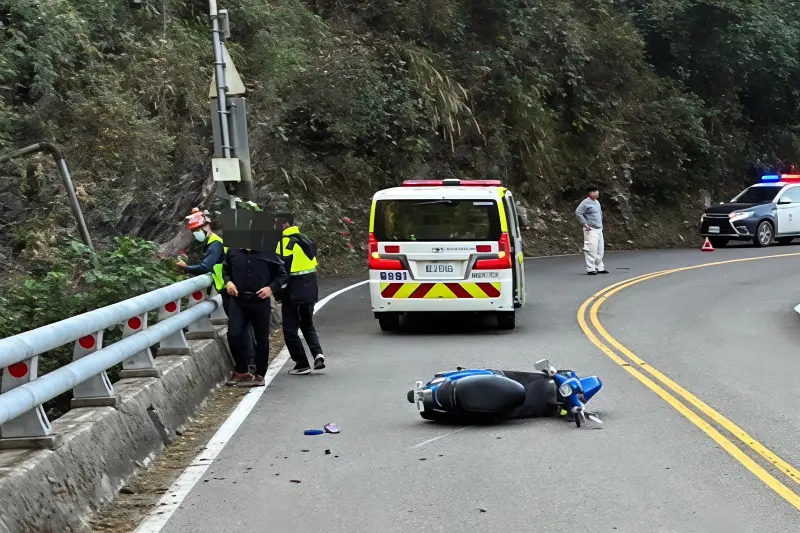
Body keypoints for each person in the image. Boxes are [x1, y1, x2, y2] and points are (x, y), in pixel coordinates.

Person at [223, 245, 288, 386]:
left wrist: (271, 288)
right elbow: (225, 269)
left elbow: (282, 274)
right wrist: (228, 281)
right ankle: (242, 372)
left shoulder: (268, 252)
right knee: (234, 334)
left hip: (260, 301)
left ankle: (260, 374)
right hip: (238, 301)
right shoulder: (233, 251)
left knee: (261, 339)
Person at [275, 211, 325, 376]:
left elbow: (282, 271)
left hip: (292, 292)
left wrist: (277, 294)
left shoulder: (283, 243)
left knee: (290, 330)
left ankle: (302, 363)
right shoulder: (306, 239)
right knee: (307, 324)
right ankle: (318, 353)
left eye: (278, 223)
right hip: (310, 289)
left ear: (285, 224)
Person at [177, 208, 228, 311]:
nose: (196, 233)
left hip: (229, 288)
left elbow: (205, 267)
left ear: (207, 225)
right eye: (194, 231)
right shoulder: (212, 242)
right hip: (228, 287)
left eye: (198, 230)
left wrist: (185, 268)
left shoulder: (215, 245)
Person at [575, 184, 608, 276]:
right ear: (589, 193)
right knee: (591, 249)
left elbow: (600, 214)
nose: (595, 193)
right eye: (592, 192)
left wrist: (601, 225)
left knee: (600, 249)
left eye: (596, 191)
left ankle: (599, 267)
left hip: (599, 229)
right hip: (590, 229)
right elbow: (578, 212)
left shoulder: (597, 202)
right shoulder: (585, 203)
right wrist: (585, 223)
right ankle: (590, 268)